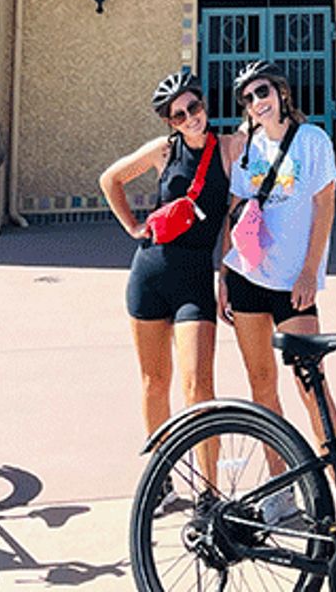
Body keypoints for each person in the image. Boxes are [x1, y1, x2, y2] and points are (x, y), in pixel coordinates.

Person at [101, 70, 240, 446]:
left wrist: (225, 275)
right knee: (154, 383)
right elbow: (110, 179)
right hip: (149, 273)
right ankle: (160, 483)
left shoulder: (229, 148)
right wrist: (132, 226)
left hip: (196, 278)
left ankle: (209, 491)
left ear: (203, 103)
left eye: (193, 106)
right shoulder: (163, 150)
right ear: (170, 122)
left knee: (199, 388)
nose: (190, 117)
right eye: (178, 115)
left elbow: (233, 217)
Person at [219, 60, 336, 454]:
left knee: (311, 384)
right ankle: (281, 489)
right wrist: (224, 273)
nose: (257, 102)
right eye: (248, 97)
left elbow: (325, 205)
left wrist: (310, 271)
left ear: (281, 93)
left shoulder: (312, 140)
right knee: (261, 383)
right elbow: (235, 209)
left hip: (293, 283)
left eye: (263, 92)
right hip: (246, 277)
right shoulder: (248, 148)